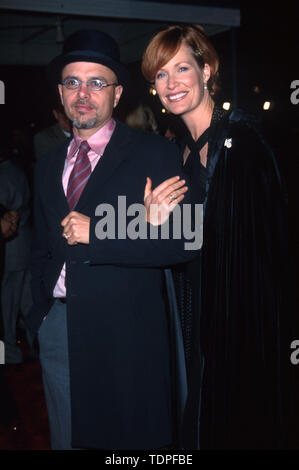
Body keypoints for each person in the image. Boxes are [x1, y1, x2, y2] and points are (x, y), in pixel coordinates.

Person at [25, 29, 196, 450]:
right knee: (67, 438)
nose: (83, 93)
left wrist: (100, 234)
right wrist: (39, 314)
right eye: (72, 82)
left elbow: (185, 241)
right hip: (59, 326)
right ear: (61, 93)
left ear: (117, 94)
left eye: (96, 82)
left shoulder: (154, 153)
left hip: (126, 332)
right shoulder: (46, 164)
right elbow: (43, 245)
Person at [142, 24, 287, 449]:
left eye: (182, 68)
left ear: (208, 69)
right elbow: (189, 236)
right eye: (161, 74)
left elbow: (262, 249)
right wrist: (155, 222)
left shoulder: (241, 141)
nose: (171, 84)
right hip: (196, 306)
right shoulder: (181, 147)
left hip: (237, 317)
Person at [0, 143, 32, 364]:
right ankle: (34, 345)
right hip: (25, 245)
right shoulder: (18, 171)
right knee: (26, 302)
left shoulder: (4, 176)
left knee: (8, 307)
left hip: (10, 250)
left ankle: (10, 353)